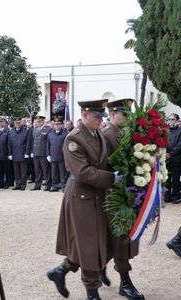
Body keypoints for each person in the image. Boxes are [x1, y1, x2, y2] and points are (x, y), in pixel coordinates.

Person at [47, 99, 118, 300]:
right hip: (82, 197)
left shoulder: (98, 135)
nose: (100, 120)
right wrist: (112, 178)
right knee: (89, 244)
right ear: (85, 115)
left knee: (100, 241)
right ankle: (92, 293)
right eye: (97, 116)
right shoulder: (74, 139)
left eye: (102, 117)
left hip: (98, 194)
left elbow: (103, 163)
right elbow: (84, 172)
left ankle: (60, 271)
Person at [102, 99, 144, 300]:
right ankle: (125, 283)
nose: (127, 117)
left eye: (129, 114)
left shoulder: (126, 133)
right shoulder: (107, 135)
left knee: (118, 238)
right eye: (123, 114)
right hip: (114, 196)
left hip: (128, 193)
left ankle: (100, 266)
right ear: (112, 114)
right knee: (120, 238)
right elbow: (104, 168)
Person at [8, 117, 32, 191]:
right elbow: (9, 144)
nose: (17, 124)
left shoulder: (26, 131)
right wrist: (10, 153)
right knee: (16, 171)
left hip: (23, 153)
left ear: (21, 123)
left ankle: (23, 184)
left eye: (19, 123)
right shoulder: (11, 131)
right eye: (16, 123)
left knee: (23, 171)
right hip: (14, 153)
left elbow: (28, 142)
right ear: (14, 124)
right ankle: (18, 184)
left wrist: (27, 152)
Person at [47, 118, 68, 192]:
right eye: (55, 124)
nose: (56, 126)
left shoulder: (65, 134)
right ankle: (55, 186)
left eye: (58, 124)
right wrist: (48, 155)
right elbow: (48, 145)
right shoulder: (50, 134)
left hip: (62, 157)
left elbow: (66, 147)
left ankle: (63, 186)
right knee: (54, 173)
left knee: (63, 174)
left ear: (61, 125)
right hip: (53, 157)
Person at [30, 116, 51, 191]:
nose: (38, 123)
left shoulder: (48, 129)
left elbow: (48, 143)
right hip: (36, 152)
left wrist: (48, 153)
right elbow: (33, 141)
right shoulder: (35, 129)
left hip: (43, 153)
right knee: (37, 170)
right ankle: (37, 185)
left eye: (40, 121)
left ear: (43, 122)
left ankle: (48, 185)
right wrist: (32, 151)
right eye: (37, 121)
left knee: (46, 170)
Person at [165, 113, 181, 203]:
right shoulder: (166, 131)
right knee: (167, 178)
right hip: (166, 159)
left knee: (175, 179)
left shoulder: (180, 131)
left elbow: (179, 145)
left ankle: (176, 197)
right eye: (169, 119)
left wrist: (170, 154)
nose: (170, 121)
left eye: (172, 119)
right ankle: (167, 196)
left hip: (176, 159)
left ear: (177, 121)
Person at [0, 117, 11, 189]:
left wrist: (9, 154)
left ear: (5, 122)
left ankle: (7, 183)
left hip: (5, 153)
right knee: (0, 170)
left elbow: (9, 143)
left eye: (2, 122)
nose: (0, 123)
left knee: (7, 170)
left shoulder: (8, 131)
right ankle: (1, 183)